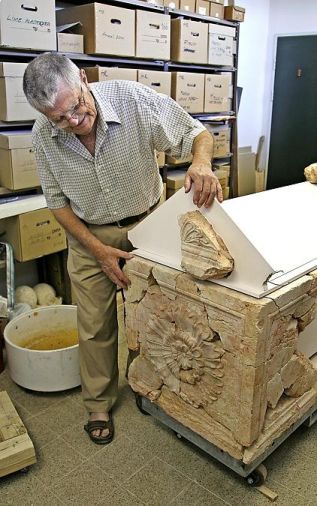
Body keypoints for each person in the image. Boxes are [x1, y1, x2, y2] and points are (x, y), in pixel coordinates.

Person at [23, 53, 223, 445]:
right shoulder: (42, 135)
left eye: (76, 107)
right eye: (60, 119)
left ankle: (147, 383)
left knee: (156, 315)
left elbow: (197, 134)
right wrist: (97, 250)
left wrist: (201, 163)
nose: (74, 122)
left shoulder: (133, 100)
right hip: (88, 237)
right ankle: (98, 402)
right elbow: (56, 202)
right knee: (94, 324)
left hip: (149, 227)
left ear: (83, 78)